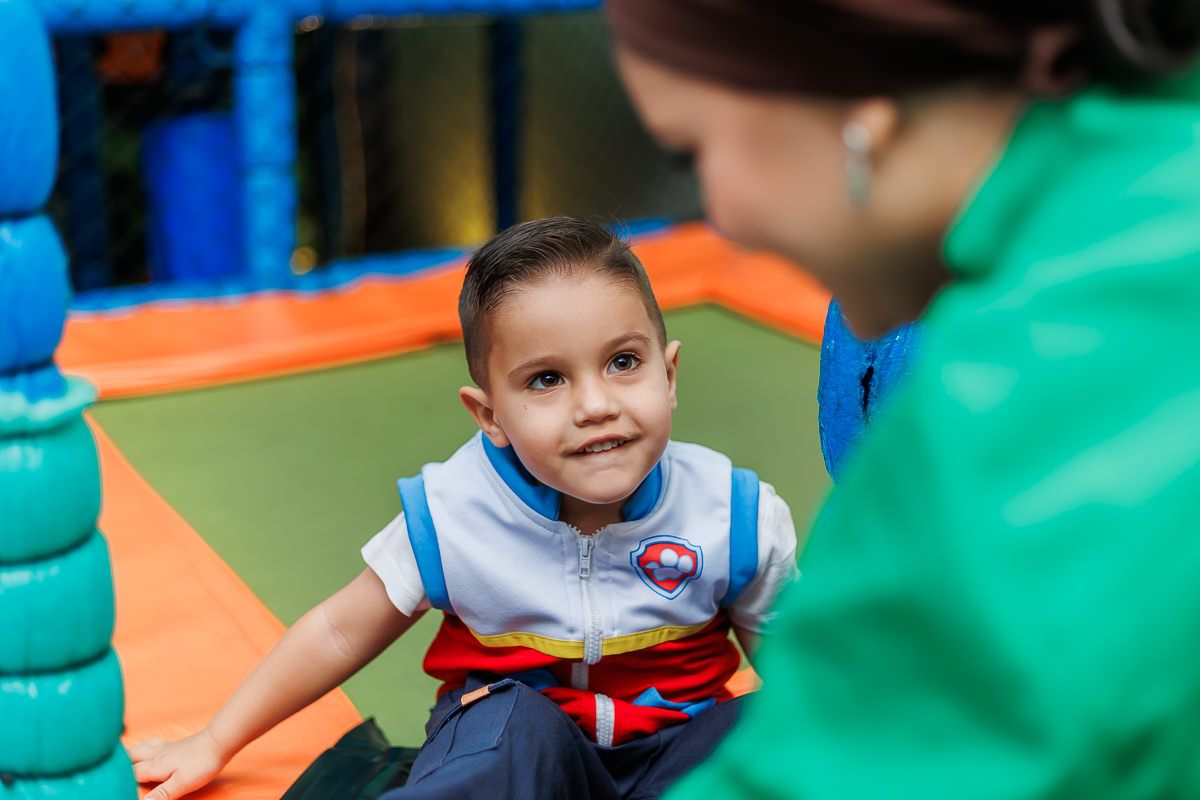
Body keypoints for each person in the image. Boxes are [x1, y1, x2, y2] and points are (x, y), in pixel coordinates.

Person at [607, 1, 1200, 796]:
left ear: (860, 112)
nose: (722, 217)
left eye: (689, 152)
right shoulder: (1148, 184)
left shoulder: (1015, 398)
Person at [130, 216, 799, 800]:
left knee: (768, 726)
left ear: (670, 374)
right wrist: (216, 740)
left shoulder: (732, 514)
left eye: (623, 362)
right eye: (547, 379)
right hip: (515, 752)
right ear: (490, 416)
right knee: (512, 725)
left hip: (673, 755)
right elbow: (340, 629)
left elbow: (797, 669)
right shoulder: (457, 513)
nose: (596, 405)